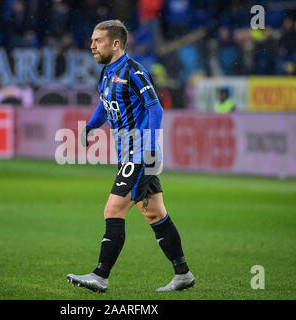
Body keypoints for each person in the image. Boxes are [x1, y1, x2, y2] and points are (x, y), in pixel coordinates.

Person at [66, 20, 194, 293]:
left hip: (140, 154)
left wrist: (148, 146)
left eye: (97, 40)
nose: (91, 46)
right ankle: (183, 273)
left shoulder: (134, 71)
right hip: (129, 155)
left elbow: (155, 108)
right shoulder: (106, 74)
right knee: (155, 213)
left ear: (115, 43)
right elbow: (103, 105)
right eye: (91, 40)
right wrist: (90, 126)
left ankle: (100, 276)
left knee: (113, 209)